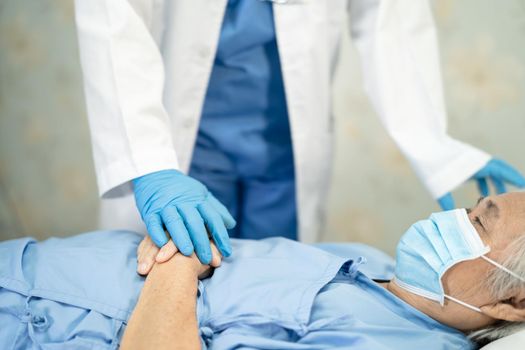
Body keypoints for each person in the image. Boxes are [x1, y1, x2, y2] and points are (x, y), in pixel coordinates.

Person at [73, 0, 525, 262]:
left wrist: (438, 149)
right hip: (174, 151)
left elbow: (391, 16)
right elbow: (113, 14)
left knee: (272, 296)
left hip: (283, 157)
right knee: (160, 288)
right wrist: (148, 163)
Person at [1, 192, 525, 349]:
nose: (452, 217)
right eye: (474, 205)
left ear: (513, 304)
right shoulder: (373, 263)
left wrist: (177, 265)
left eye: (479, 223)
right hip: (24, 262)